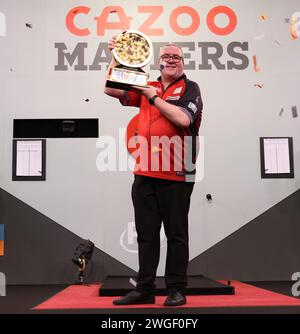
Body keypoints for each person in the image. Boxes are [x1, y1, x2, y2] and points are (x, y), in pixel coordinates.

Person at [104, 37, 203, 306]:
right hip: (145, 172)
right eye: (167, 56)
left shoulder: (190, 88)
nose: (171, 60)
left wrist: (154, 98)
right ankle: (145, 289)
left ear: (183, 64)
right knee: (146, 236)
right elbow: (110, 89)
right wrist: (118, 55)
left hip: (178, 174)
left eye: (177, 57)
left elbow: (183, 118)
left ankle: (176, 290)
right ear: (158, 62)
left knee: (176, 235)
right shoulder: (148, 84)